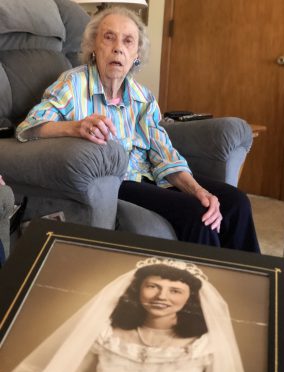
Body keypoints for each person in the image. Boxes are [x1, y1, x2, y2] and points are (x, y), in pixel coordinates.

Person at [15, 6, 260, 253]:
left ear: (136, 55)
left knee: (236, 202)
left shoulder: (143, 98)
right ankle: (206, 287)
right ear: (93, 47)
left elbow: (163, 155)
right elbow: (30, 127)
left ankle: (254, 283)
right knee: (199, 216)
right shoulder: (73, 84)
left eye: (128, 41)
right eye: (108, 37)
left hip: (152, 177)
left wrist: (197, 190)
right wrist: (75, 127)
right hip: (117, 183)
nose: (118, 47)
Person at [0, 257, 250, 372]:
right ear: (137, 289)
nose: (161, 296)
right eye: (153, 286)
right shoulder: (108, 336)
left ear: (190, 299)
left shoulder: (203, 346)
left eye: (175, 291)